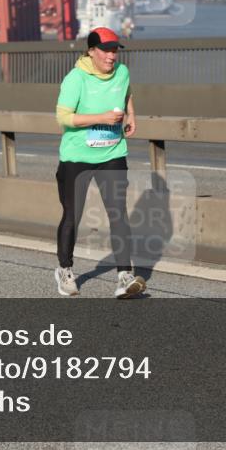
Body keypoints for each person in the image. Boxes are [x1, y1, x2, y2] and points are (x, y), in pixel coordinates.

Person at [54, 27, 146, 298]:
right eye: (105, 50)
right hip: (77, 158)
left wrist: (131, 114)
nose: (111, 56)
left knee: (118, 213)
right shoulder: (76, 79)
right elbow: (63, 117)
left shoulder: (122, 72)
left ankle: (124, 275)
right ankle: (65, 270)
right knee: (73, 215)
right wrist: (101, 118)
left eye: (114, 50)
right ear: (91, 51)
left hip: (112, 154)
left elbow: (127, 92)